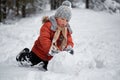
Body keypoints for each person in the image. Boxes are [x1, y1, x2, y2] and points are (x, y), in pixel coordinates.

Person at [16, 1, 74, 71]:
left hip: (52, 56)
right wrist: (50, 49)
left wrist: (69, 47)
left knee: (48, 68)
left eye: (67, 20)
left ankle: (44, 63)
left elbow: (68, 39)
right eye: (62, 19)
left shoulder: (66, 30)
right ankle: (22, 55)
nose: (64, 22)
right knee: (29, 62)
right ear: (57, 17)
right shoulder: (48, 25)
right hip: (39, 52)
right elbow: (44, 39)